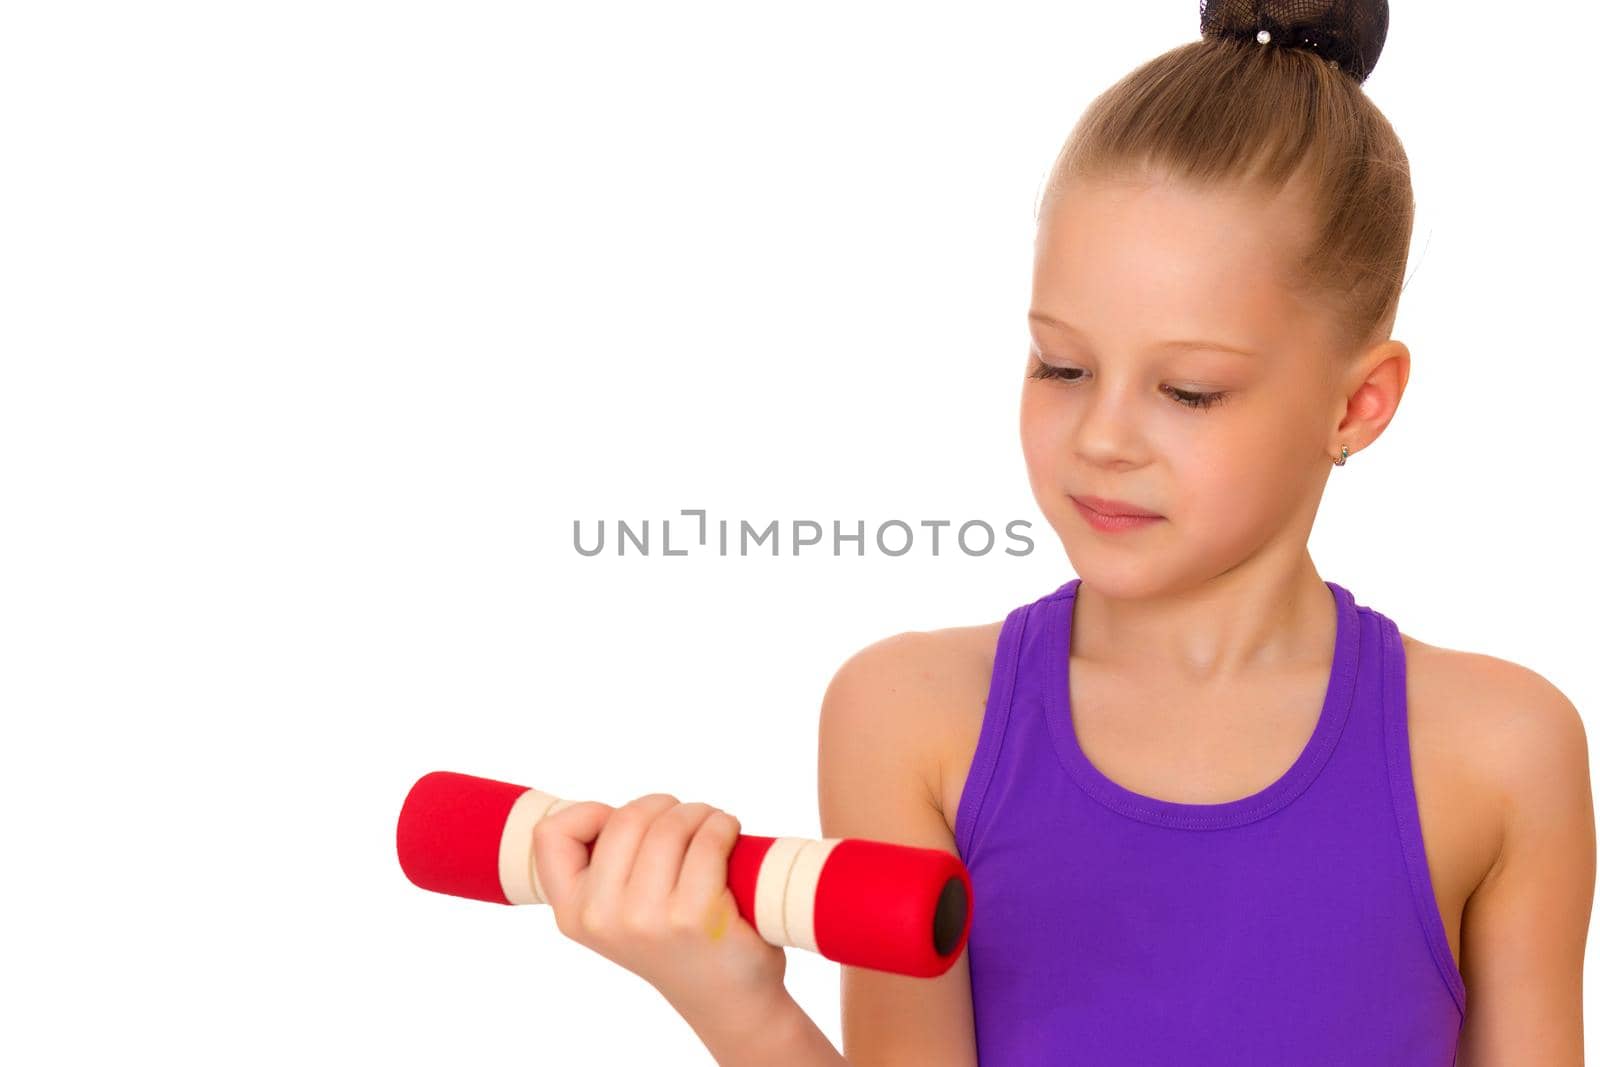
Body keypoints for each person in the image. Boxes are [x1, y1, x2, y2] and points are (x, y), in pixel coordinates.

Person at [533, 1, 1595, 1063]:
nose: (1101, 437)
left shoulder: (1500, 751)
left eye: (1189, 389)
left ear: (1358, 404)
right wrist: (733, 997)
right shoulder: (911, 718)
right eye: (1061, 365)